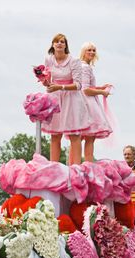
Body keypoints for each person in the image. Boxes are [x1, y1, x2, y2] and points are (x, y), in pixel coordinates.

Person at [41, 33, 91, 165]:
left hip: (71, 98)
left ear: (65, 45)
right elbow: (49, 80)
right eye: (56, 41)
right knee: (55, 134)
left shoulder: (74, 61)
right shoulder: (48, 59)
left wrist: (60, 87)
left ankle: (75, 167)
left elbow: (78, 85)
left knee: (74, 134)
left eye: (62, 42)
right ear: (52, 45)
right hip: (55, 98)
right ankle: (53, 166)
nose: (59, 44)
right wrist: (44, 81)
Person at [78, 42, 113, 162]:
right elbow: (86, 90)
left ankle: (76, 164)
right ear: (83, 52)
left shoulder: (82, 66)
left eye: (93, 50)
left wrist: (100, 88)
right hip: (88, 104)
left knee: (81, 137)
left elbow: (86, 86)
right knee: (89, 137)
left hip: (84, 102)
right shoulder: (85, 67)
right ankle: (88, 165)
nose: (92, 52)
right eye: (89, 50)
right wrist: (102, 93)